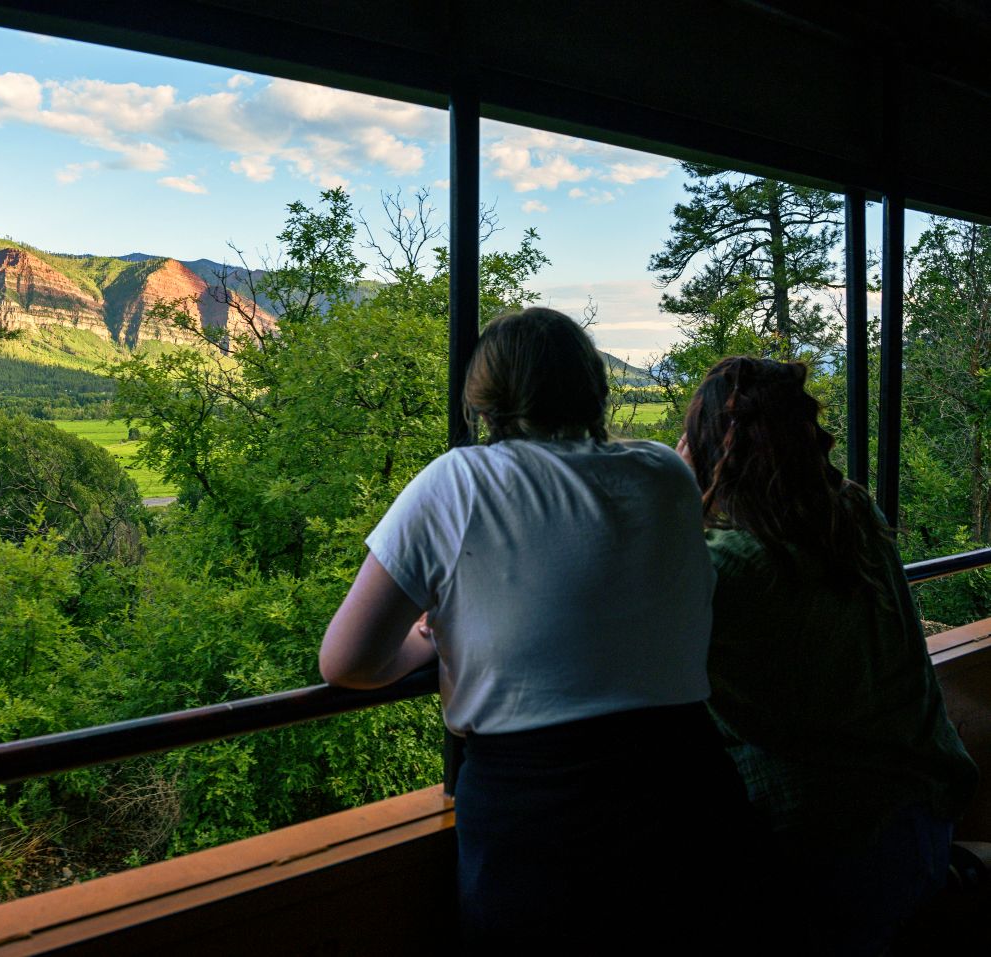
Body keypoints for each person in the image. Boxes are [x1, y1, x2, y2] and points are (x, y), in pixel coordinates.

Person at [319, 307, 757, 952]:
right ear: (595, 385)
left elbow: (346, 661)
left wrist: (431, 638)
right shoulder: (665, 473)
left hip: (543, 818)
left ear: (484, 399)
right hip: (690, 791)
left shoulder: (457, 481)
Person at [681, 355, 978, 956]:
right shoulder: (852, 514)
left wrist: (681, 485)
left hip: (824, 851)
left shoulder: (725, 568)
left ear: (713, 448)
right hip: (920, 812)